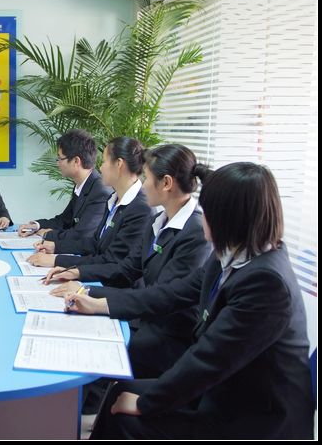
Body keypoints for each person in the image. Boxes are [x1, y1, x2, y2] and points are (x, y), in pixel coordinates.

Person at [68, 163, 314, 439]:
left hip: (253, 417)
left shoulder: (267, 283)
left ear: (228, 218)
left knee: (125, 417)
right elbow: (171, 293)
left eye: (207, 211)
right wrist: (99, 302)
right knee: (120, 392)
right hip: (224, 389)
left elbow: (211, 359)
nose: (202, 217)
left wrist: (146, 403)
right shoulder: (230, 256)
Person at [47, 144, 212, 378]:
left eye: (147, 178)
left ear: (166, 183)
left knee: (90, 349)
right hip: (143, 314)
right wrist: (77, 275)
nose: (143, 185)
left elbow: (161, 298)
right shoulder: (159, 220)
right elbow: (127, 269)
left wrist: (92, 296)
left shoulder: (195, 232)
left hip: (165, 333)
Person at [28, 137, 152, 269]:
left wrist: (57, 261)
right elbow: (96, 243)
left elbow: (111, 261)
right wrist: (56, 246)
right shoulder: (114, 199)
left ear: (118, 164)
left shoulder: (140, 208)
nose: (100, 168)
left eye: (104, 162)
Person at [17, 129, 111, 241]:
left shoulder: (100, 191)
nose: (58, 163)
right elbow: (64, 221)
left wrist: (48, 235)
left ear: (76, 161)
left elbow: (82, 235)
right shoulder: (82, 185)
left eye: (60, 158)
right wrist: (36, 226)